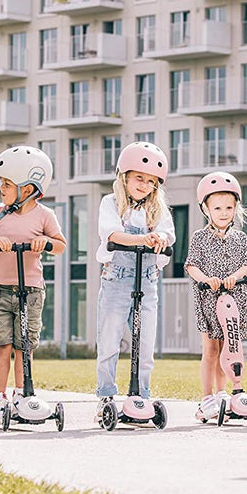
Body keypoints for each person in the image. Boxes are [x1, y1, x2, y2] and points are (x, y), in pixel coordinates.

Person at [0, 145, 66, 430]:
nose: (1, 188)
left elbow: (60, 246)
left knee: (24, 348)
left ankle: (22, 397)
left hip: (32, 291)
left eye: (7, 184)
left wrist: (44, 243)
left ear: (28, 188)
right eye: (1, 182)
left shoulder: (44, 215)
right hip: (0, 290)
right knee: (1, 347)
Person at [95, 141, 175, 421]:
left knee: (145, 343)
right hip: (117, 278)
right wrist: (143, 239)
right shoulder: (111, 203)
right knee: (109, 340)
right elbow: (113, 235)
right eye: (139, 177)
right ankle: (105, 396)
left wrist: (161, 238)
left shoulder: (157, 210)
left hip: (148, 279)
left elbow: (167, 235)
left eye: (151, 181)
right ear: (124, 176)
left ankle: (140, 396)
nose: (144, 184)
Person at [185, 172, 247, 421]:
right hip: (210, 298)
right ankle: (207, 397)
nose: (223, 212)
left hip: (234, 298)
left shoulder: (240, 238)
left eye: (229, 207)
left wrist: (234, 275)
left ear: (236, 208)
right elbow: (191, 265)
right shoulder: (199, 237)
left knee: (231, 347)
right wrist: (206, 279)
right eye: (217, 207)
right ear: (206, 208)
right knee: (211, 349)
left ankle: (222, 393)